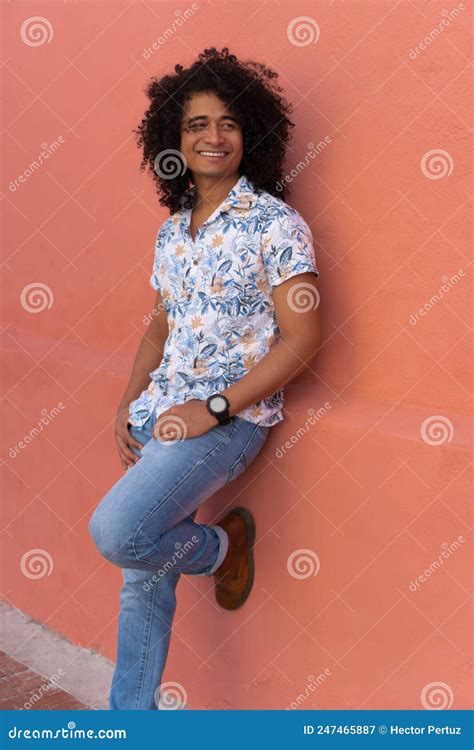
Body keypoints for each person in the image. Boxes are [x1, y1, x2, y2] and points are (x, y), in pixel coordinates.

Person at [89, 47, 321, 711]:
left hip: (227, 425)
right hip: (157, 415)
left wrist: (212, 408)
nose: (213, 137)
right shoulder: (172, 232)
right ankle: (130, 722)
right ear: (174, 140)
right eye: (195, 125)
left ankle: (221, 547)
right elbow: (161, 327)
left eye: (228, 124)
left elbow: (304, 339)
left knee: (120, 535)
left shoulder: (276, 226)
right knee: (143, 576)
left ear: (252, 134)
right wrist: (128, 400)